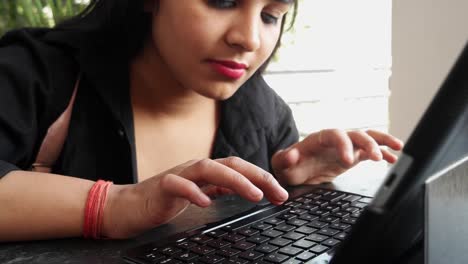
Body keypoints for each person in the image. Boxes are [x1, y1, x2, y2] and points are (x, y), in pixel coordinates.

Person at [0, 0, 403, 241]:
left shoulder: (266, 113)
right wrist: (119, 205)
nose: (248, 38)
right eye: (222, 0)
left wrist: (291, 185)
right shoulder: (34, 73)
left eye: (270, 14)